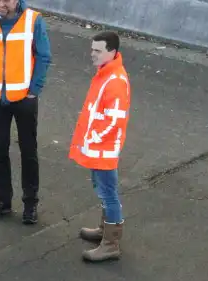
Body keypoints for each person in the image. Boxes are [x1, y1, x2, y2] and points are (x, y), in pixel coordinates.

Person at [0, 0, 52, 225]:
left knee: (28, 151)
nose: (2, 3)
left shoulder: (33, 20)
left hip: (24, 99)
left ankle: (30, 204)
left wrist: (34, 90)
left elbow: (44, 56)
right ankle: (3, 201)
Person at [70, 31, 131, 262]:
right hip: (99, 148)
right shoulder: (107, 74)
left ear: (112, 52)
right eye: (92, 49)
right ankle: (106, 232)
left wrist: (93, 137)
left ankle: (111, 244)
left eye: (97, 50)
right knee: (103, 190)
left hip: (103, 149)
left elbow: (115, 120)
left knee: (108, 194)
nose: (92, 54)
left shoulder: (114, 81)